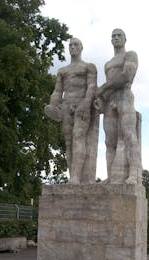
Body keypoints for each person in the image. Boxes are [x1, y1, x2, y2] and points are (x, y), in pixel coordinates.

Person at [44, 38, 97, 184]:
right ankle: (72, 176)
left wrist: (86, 105)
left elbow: (92, 87)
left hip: (81, 105)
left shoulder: (89, 67)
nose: (73, 47)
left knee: (78, 137)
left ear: (81, 48)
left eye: (76, 45)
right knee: (68, 143)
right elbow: (57, 90)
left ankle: (76, 178)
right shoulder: (62, 71)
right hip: (66, 105)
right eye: (71, 45)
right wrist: (52, 106)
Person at [95, 29, 140, 184]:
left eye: (119, 35)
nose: (116, 38)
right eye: (113, 36)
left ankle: (133, 174)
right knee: (109, 141)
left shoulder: (130, 55)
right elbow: (110, 86)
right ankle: (111, 176)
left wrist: (102, 88)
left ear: (125, 39)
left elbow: (126, 75)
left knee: (129, 134)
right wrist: (101, 98)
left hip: (125, 96)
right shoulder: (108, 64)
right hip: (110, 101)